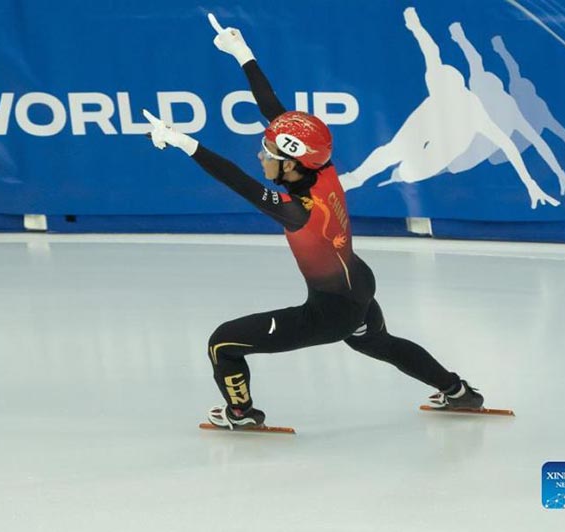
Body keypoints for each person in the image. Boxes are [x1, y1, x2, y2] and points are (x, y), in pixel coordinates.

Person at [143, 13, 483, 429]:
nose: (261, 155)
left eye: (269, 154)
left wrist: (183, 142)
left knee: (223, 344)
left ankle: (241, 414)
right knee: (378, 342)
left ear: (290, 166)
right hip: (357, 285)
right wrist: (243, 54)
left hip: (329, 311)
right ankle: (459, 392)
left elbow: (237, 180)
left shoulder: (298, 211)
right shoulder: (322, 170)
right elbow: (275, 113)